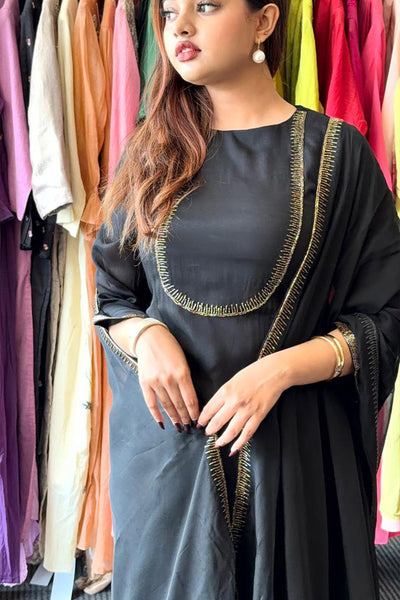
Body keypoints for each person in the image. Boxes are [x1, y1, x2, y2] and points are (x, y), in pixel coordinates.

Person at [91, 0, 400, 598]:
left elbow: (384, 316)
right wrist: (147, 337)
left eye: (205, 6)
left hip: (292, 460)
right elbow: (114, 294)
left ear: (264, 21)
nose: (179, 27)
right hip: (169, 463)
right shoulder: (151, 151)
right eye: (169, 12)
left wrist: (279, 371)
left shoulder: (337, 154)